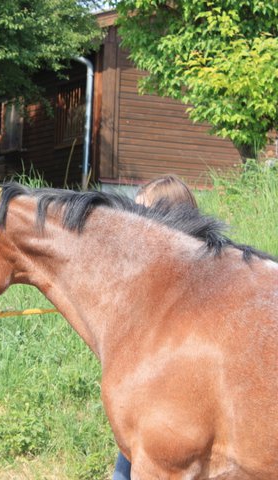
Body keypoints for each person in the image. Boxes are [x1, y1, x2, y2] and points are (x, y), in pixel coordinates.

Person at [112, 173, 199, 480]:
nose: (134, 223)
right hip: (145, 409)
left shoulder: (201, 269)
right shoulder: (147, 266)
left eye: (142, 213)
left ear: (170, 214)